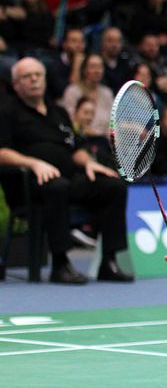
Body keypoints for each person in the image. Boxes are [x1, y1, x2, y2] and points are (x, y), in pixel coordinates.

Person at [0, 57, 133, 284]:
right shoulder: (6, 111)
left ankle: (108, 262)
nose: (34, 80)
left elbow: (76, 146)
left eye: (38, 75)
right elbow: (2, 152)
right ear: (16, 84)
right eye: (27, 76)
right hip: (29, 184)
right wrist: (34, 163)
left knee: (113, 185)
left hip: (68, 177)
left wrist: (88, 162)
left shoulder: (57, 111)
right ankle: (60, 264)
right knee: (57, 187)